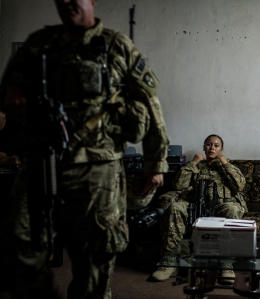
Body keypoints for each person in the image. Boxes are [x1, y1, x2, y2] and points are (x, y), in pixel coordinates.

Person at [0, 0, 169, 298]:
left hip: (98, 172)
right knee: (20, 244)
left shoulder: (117, 46)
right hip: (42, 161)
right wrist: (13, 95)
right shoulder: (40, 43)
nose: (66, 2)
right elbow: (10, 85)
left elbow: (149, 103)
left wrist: (156, 163)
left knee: (95, 257)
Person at [151, 134, 247, 284]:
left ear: (221, 149)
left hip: (222, 206)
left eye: (216, 145)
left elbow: (239, 185)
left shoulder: (228, 166)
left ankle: (226, 264)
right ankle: (169, 262)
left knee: (232, 210)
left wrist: (224, 163)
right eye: (209, 144)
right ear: (204, 147)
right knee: (175, 207)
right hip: (196, 205)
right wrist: (194, 162)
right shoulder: (195, 166)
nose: (212, 148)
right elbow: (178, 185)